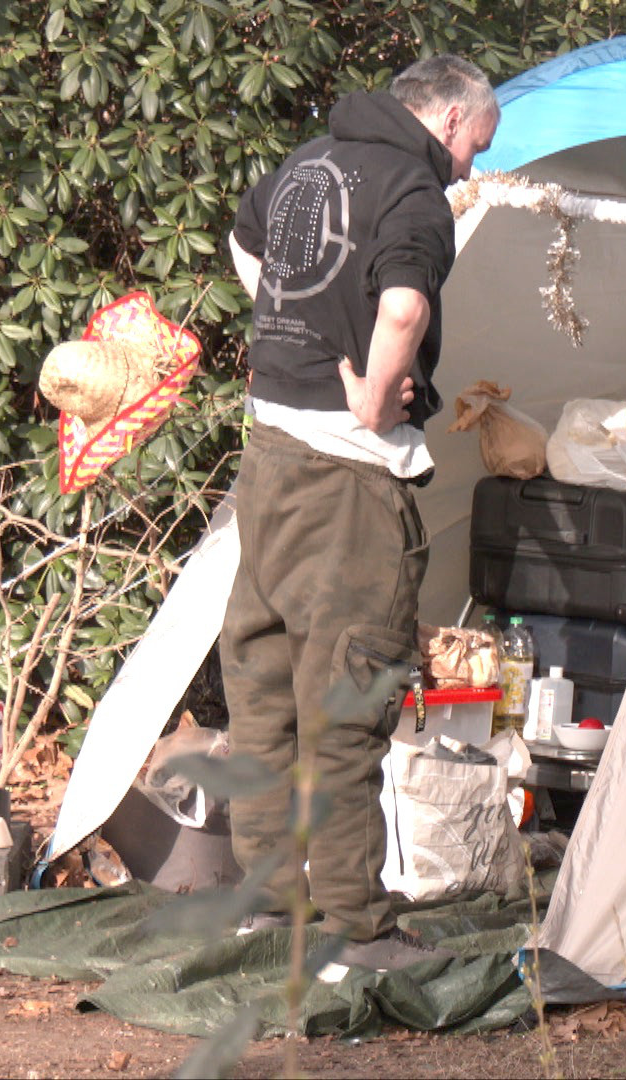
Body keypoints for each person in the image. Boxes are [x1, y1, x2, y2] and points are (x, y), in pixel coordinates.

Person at [219, 54, 499, 976]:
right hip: (348, 476)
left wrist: (298, 332)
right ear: (449, 121)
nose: (469, 169)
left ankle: (268, 909)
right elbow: (406, 305)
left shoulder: (309, 160)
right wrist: (378, 391)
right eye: (476, 148)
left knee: (263, 689)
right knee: (345, 701)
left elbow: (245, 245)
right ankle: (355, 931)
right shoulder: (414, 191)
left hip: (267, 456)